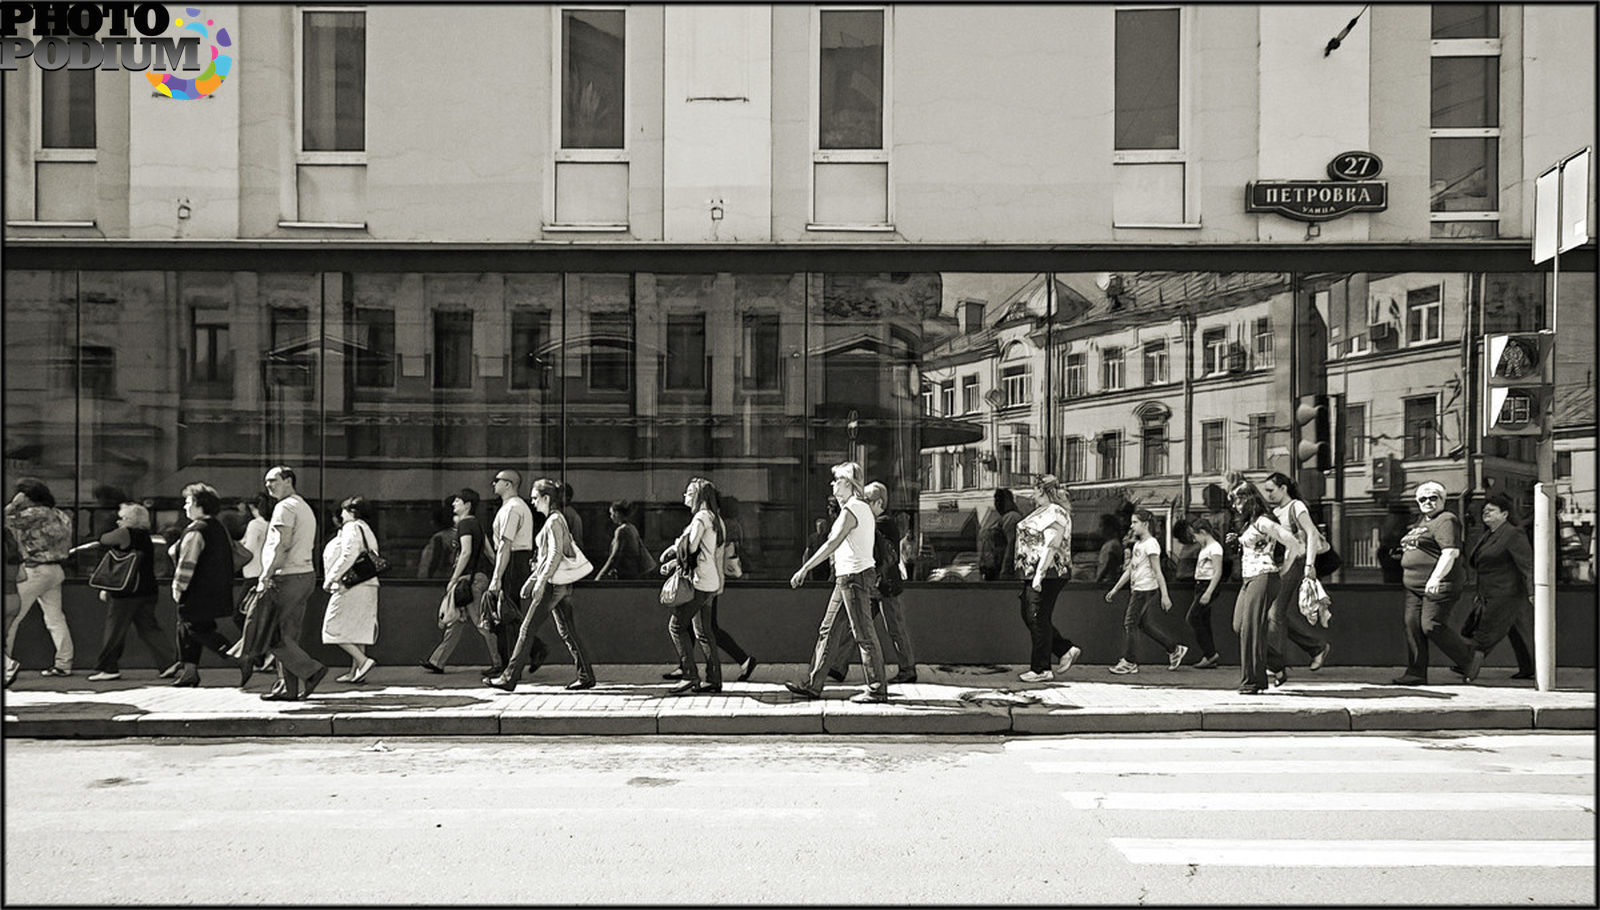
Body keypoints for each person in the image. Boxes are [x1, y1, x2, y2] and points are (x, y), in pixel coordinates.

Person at [785, 462, 891, 704]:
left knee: (863, 634)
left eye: (837, 480)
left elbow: (830, 544)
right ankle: (813, 685)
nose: (833, 484)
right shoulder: (858, 508)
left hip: (853, 577)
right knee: (828, 630)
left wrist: (804, 568)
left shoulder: (852, 509)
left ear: (849, 483)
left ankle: (877, 689)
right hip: (848, 577)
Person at [487, 478, 595, 692]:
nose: (533, 502)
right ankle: (586, 675)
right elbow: (547, 557)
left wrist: (541, 581)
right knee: (567, 631)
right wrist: (531, 580)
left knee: (526, 629)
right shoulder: (556, 519)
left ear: (546, 498)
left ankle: (509, 677)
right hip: (558, 584)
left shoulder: (554, 520)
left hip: (552, 585)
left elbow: (554, 554)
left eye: (536, 498)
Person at [823, 482, 918, 685]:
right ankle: (839, 666)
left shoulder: (882, 523)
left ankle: (908, 669)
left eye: (867, 501)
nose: (863, 504)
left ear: (879, 502)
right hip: (878, 585)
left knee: (892, 627)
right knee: (857, 626)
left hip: (885, 586)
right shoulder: (880, 522)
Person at [1394, 481, 1479, 685]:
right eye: (1422, 499)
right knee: (1413, 626)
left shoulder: (1446, 519)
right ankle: (1415, 673)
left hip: (1438, 584)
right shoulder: (1421, 522)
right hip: (1414, 587)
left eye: (1433, 497)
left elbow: (1450, 552)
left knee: (1431, 625)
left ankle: (1469, 658)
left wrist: (1435, 578)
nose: (1428, 502)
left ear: (1443, 500)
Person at [255, 466, 329, 701]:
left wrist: (266, 574)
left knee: (270, 633)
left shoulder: (284, 507)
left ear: (288, 480)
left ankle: (311, 671)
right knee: (287, 636)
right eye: (266, 481)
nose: (268, 485)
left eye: (273, 480)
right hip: (303, 575)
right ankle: (287, 687)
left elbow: (282, 544)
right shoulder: (302, 506)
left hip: (287, 576)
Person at [170, 483, 252, 688]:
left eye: (188, 502)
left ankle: (237, 656)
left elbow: (187, 562)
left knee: (194, 626)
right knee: (189, 628)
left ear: (199, 505)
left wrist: (178, 587)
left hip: (196, 590)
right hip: (217, 588)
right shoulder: (218, 527)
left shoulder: (196, 530)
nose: (184, 507)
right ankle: (189, 671)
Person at [83, 502, 176, 681]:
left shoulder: (125, 533)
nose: (118, 521)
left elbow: (104, 539)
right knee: (149, 628)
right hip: (148, 590)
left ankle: (109, 668)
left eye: (122, 518)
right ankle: (169, 662)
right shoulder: (145, 537)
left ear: (130, 520)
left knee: (115, 630)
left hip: (125, 592)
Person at [1227, 481, 1303, 694]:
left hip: (1263, 577)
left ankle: (1252, 682)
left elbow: (1293, 543)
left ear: (1248, 498)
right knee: (1240, 626)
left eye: (1237, 500)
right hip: (1249, 579)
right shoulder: (1250, 524)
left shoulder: (1263, 521)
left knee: (1250, 629)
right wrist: (1239, 543)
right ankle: (1276, 664)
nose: (1235, 506)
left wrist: (1284, 568)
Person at [1259, 472, 1333, 681]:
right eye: (1266, 490)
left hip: (1297, 562)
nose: (1268, 494)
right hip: (1282, 563)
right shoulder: (1275, 511)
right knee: (1277, 613)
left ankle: (1275, 665)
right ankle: (1316, 647)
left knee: (1274, 614)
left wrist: (1310, 565)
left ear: (1284, 488)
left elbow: (1311, 533)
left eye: (1271, 490)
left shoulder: (1296, 506)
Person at [660, 477, 729, 695]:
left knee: (677, 626)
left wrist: (674, 549)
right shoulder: (715, 518)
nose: (685, 496)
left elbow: (690, 547)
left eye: (689, 492)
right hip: (711, 581)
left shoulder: (700, 517)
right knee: (704, 631)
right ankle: (714, 679)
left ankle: (689, 675)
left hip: (699, 582)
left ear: (699, 495)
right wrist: (674, 558)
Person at [421, 488, 499, 674]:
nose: (454, 504)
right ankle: (437, 661)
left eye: (457, 501)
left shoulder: (464, 524)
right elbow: (489, 552)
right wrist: (497, 573)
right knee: (456, 622)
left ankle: (500, 662)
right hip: (478, 578)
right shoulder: (478, 524)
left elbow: (466, 552)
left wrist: (453, 578)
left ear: (467, 505)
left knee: (482, 623)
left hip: (468, 581)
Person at [4, 478, 75, 677]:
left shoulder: (31, 514)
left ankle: (6, 664)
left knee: (12, 617)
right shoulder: (60, 514)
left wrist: (13, 505)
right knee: (55, 618)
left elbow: (5, 519)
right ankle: (64, 662)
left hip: (34, 570)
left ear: (27, 496)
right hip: (56, 570)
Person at [1464, 493, 1537, 681]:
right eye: (1484, 510)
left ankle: (1467, 668)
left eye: (1491, 510)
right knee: (1517, 631)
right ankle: (1529, 667)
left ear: (1504, 514)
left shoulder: (1513, 534)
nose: (1485, 512)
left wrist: (1533, 591)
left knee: (1484, 633)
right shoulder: (1489, 535)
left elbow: (1527, 564)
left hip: (1506, 593)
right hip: (1490, 592)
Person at [1014, 474, 1080, 683]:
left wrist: (1039, 575)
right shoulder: (1044, 511)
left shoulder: (1056, 512)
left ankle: (1041, 668)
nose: (1032, 493)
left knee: (1037, 617)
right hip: (1035, 572)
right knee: (1031, 615)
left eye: (1035, 489)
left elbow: (1051, 544)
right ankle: (1065, 649)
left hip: (1048, 573)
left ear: (1041, 490)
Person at [1105, 509, 1186, 674]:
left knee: (1130, 623)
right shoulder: (1139, 544)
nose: (1132, 526)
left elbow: (1157, 571)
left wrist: (1165, 595)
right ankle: (1174, 649)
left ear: (1145, 524)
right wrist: (1115, 589)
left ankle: (1129, 661)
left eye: (1135, 522)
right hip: (1139, 588)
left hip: (1145, 589)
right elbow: (1130, 570)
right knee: (1143, 624)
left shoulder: (1151, 544)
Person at [484, 469, 544, 680]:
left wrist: (497, 577)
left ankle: (513, 665)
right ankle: (525, 654)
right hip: (514, 561)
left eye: (497, 481)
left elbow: (505, 544)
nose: (493, 484)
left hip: (513, 562)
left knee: (506, 614)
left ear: (508, 484)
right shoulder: (513, 507)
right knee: (508, 613)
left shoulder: (513, 508)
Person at [321, 496, 381, 684]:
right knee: (358, 629)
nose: (340, 515)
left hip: (351, 585)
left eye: (343, 511)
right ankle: (356, 672)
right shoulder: (365, 528)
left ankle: (363, 661)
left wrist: (331, 578)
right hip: (368, 583)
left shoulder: (351, 527)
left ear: (350, 511)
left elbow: (349, 554)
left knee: (332, 627)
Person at [1184, 517, 1227, 669]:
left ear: (1202, 532)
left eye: (1195, 535)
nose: (1194, 539)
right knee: (1203, 620)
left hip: (1207, 585)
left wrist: (1208, 592)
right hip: (1201, 584)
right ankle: (1210, 655)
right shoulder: (1206, 548)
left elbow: (1217, 571)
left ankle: (1210, 653)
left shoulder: (1215, 548)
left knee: (1193, 618)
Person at [596, 500, 650, 580]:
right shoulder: (632, 528)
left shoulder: (622, 530)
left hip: (626, 575)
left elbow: (614, 557)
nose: (611, 517)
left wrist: (599, 577)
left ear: (617, 513)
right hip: (633, 573)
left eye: (612, 513)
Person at [415, 502, 459, 579]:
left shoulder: (439, 537)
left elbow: (436, 559)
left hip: (437, 579)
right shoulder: (456, 534)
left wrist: (429, 576)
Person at [1094, 514, 1125, 585]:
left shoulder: (1112, 545)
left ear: (1110, 528)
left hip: (1106, 582)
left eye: (1101, 526)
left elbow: (1110, 563)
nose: (1099, 529)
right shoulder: (1108, 544)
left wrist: (1099, 579)